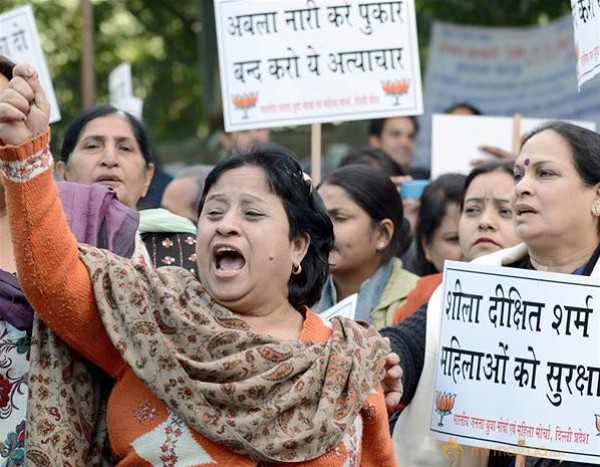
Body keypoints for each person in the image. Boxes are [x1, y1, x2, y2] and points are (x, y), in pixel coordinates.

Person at [0, 64, 397, 466]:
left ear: (298, 247)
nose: (226, 225)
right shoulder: (148, 317)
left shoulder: (347, 363)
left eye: (252, 214)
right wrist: (27, 150)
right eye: (214, 211)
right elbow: (54, 281)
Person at [386, 122, 599, 467]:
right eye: (519, 175)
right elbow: (412, 342)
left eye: (544, 174)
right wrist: (387, 362)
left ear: (597, 197)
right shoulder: (481, 281)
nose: (521, 189)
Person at [392, 162, 517, 326]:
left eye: (505, 211)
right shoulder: (430, 299)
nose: (484, 222)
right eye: (472, 210)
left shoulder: (551, 296)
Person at [315, 165, 418, 329]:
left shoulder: (416, 301)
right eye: (318, 217)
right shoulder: (297, 298)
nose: (322, 229)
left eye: (340, 218)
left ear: (382, 233)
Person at [409, 173, 466, 277]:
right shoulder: (407, 292)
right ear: (426, 246)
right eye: (454, 239)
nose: (469, 251)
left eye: (479, 238)